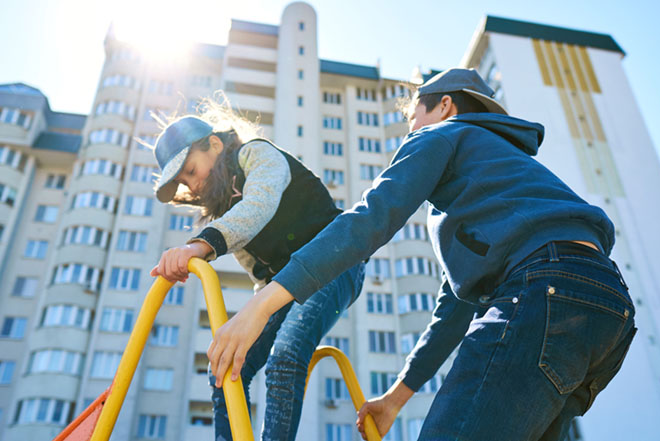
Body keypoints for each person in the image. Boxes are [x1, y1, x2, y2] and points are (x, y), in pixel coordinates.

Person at [206, 69, 637, 440]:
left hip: (544, 289)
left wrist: (261, 305)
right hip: (607, 309)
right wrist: (396, 399)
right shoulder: (499, 176)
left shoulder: (442, 135)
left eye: (413, 119)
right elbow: (456, 307)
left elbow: (370, 219)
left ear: (444, 105)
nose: (412, 131)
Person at [149, 99, 365, 440]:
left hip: (334, 259)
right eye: (183, 183)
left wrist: (199, 245)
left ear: (215, 144)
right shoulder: (225, 211)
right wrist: (251, 325)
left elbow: (260, 203)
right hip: (286, 287)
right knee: (224, 364)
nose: (191, 186)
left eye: (190, 171)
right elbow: (263, 278)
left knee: (286, 355)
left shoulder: (255, 155)